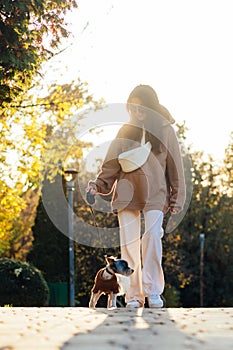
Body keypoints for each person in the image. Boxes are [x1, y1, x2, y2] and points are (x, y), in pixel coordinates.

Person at [87, 84, 186, 308]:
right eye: (132, 108)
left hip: (155, 194)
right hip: (126, 193)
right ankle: (133, 295)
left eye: (140, 108)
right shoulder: (125, 130)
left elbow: (175, 168)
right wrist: (98, 185)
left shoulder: (164, 130)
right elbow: (111, 164)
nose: (136, 112)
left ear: (150, 108)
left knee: (152, 240)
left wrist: (176, 198)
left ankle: (153, 292)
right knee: (129, 244)